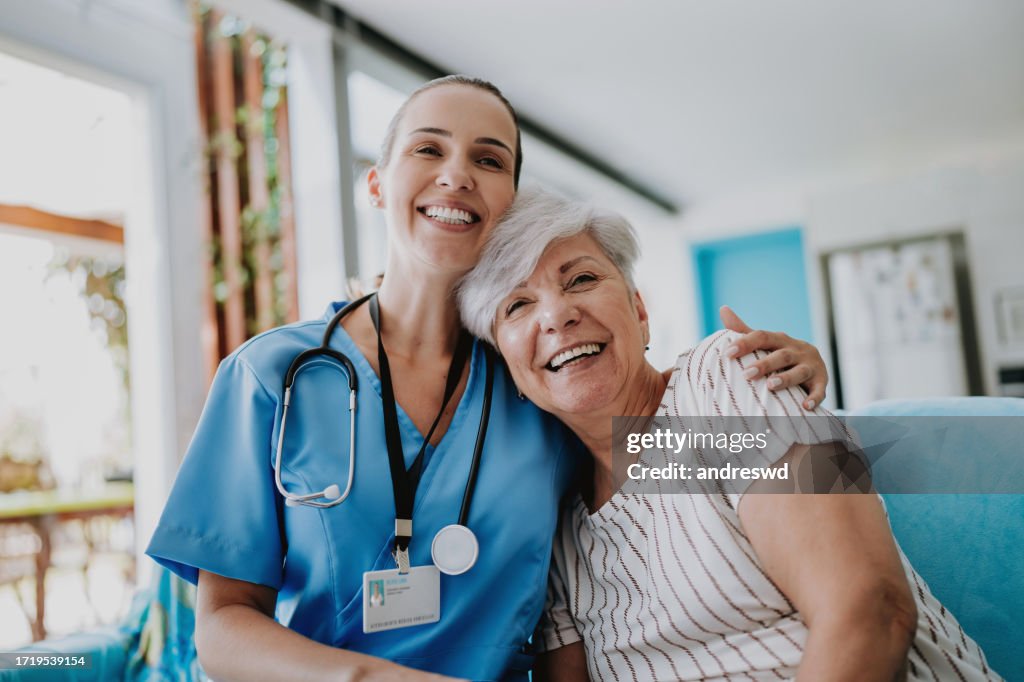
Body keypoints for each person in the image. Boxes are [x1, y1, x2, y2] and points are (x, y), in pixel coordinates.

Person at [146, 76, 831, 682]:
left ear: (507, 202)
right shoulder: (272, 377)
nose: (456, 173)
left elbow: (668, 442)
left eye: (487, 159)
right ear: (377, 183)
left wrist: (764, 383)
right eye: (428, 149)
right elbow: (222, 628)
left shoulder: (538, 379)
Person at [457, 187, 1001, 681]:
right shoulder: (557, 528)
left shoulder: (728, 378)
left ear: (639, 312)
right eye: (518, 305)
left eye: (581, 279)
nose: (557, 315)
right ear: (507, 368)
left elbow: (870, 612)